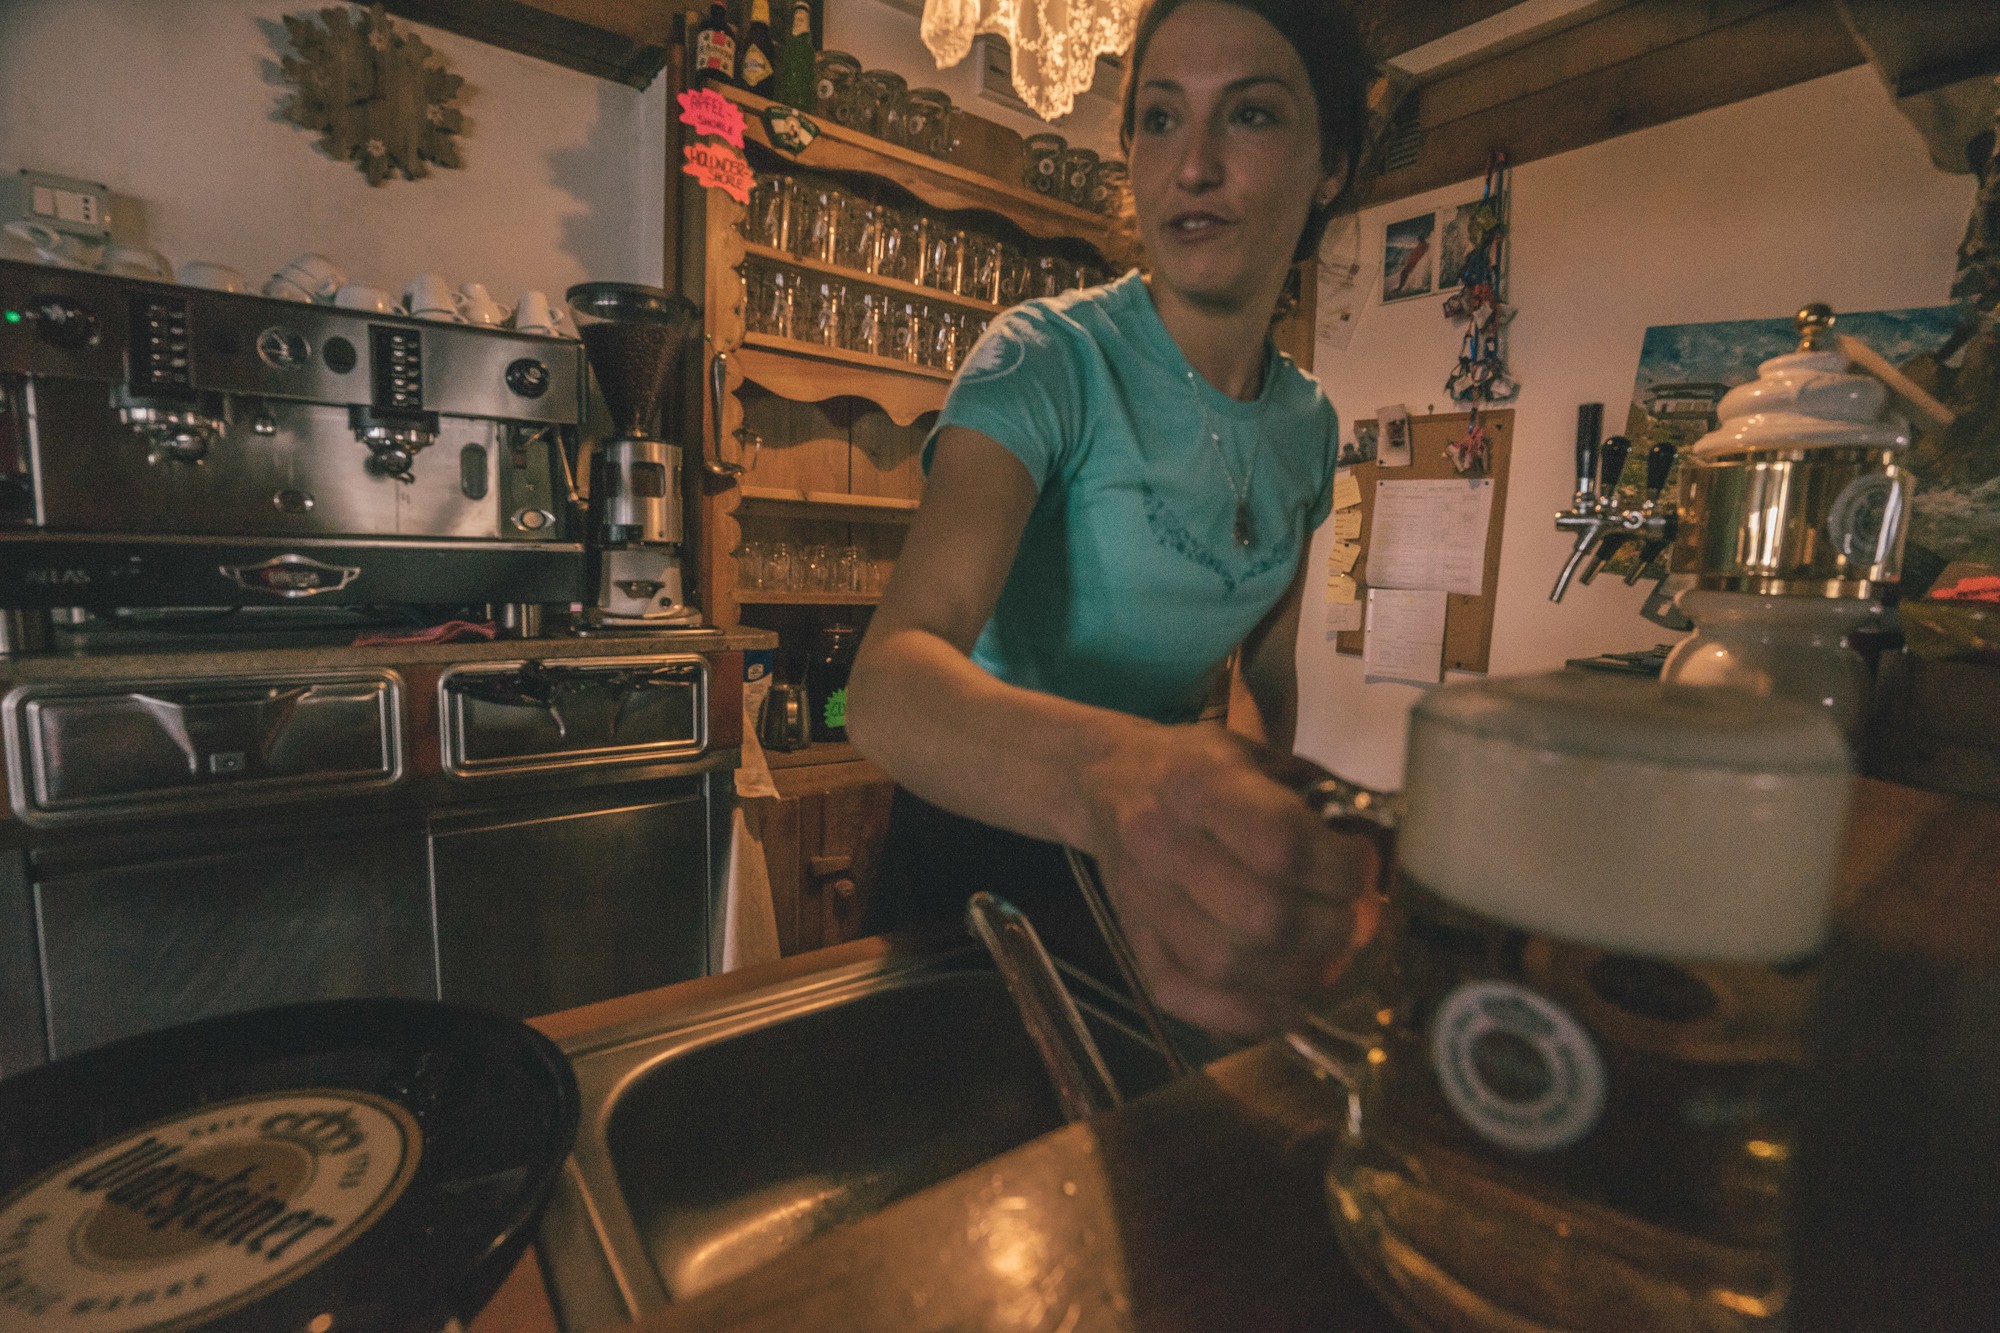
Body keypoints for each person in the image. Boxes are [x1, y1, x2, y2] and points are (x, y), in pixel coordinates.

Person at [844, 0, 1379, 1040]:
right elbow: (888, 684)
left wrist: (1250, 822)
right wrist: (1119, 777)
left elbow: (1261, 682)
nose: (1193, 166)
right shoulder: (1046, 359)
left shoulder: (1308, 427)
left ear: (1330, 167)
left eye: (1252, 116)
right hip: (977, 854)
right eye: (1160, 119)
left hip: (1162, 850)